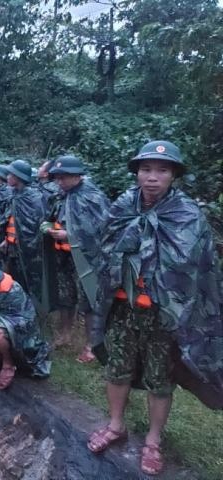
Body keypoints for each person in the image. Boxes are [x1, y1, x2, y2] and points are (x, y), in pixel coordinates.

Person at [87, 141, 223, 476]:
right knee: (116, 370)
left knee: (159, 380)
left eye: (161, 170)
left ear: (173, 175)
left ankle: (153, 440)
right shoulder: (122, 206)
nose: (152, 177)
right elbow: (105, 250)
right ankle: (116, 425)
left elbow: (194, 266)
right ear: (137, 173)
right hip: (123, 310)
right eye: (146, 169)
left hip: (164, 316)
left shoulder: (186, 215)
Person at [42, 155, 109, 362]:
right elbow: (54, 218)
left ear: (78, 176)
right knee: (66, 298)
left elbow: (103, 230)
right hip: (64, 257)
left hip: (86, 260)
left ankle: (92, 345)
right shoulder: (63, 195)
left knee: (89, 301)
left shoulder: (93, 197)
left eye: (64, 177)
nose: (59, 181)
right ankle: (65, 334)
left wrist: (69, 236)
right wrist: (47, 227)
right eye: (57, 178)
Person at [0, 160, 46, 310]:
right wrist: (7, 239)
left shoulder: (34, 197)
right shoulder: (14, 195)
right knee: (14, 280)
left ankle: (34, 313)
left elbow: (36, 225)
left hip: (29, 250)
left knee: (30, 281)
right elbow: (13, 221)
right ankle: (17, 309)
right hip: (12, 248)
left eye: (10, 174)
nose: (7, 177)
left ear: (18, 177)